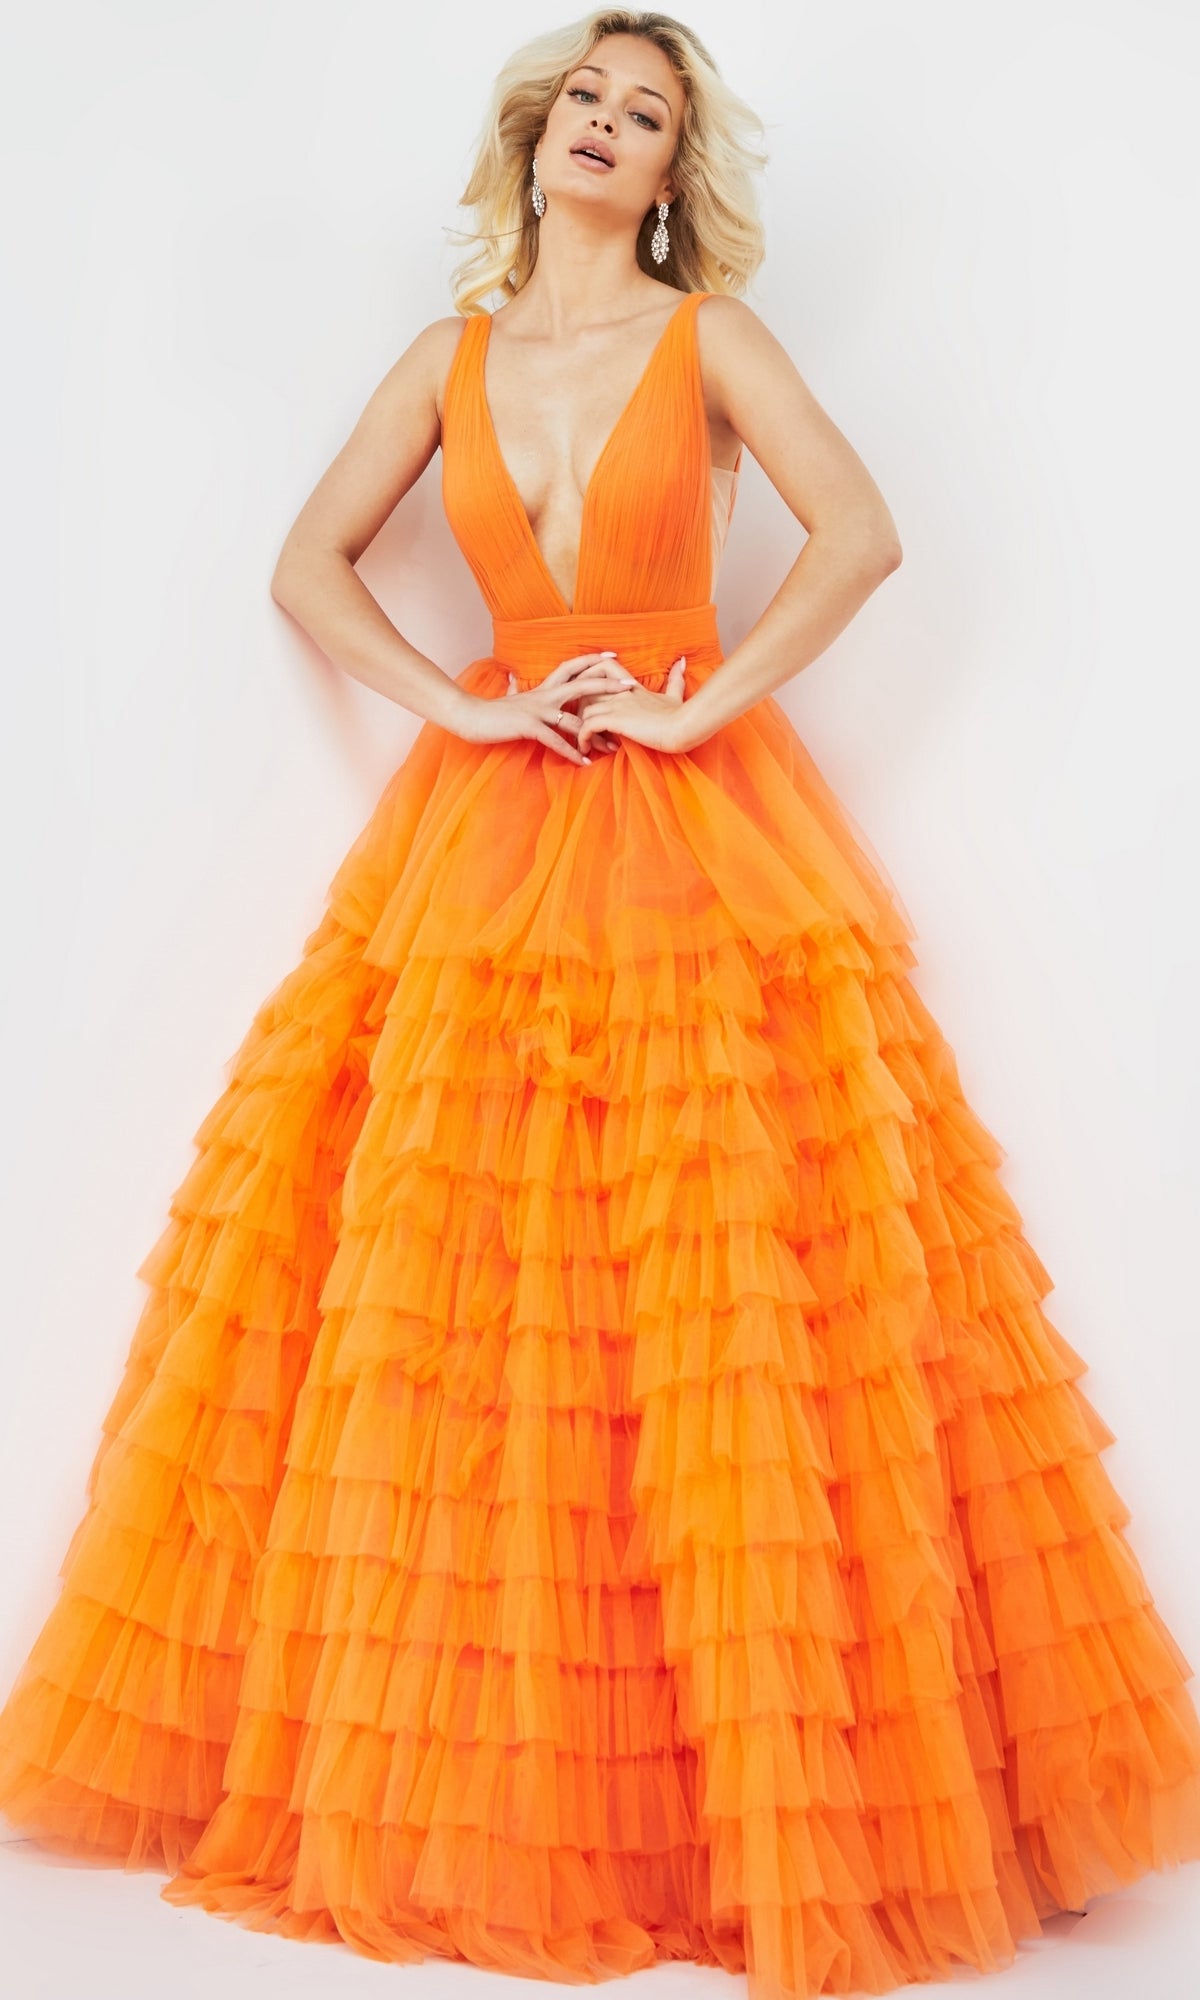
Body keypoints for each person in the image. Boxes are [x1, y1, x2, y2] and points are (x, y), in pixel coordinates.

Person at [1, 10, 1198, 1999]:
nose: (611, 129)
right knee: (464, 1279)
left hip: (699, 823)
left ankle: (751, 1780)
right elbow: (306, 565)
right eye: (589, 98)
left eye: (649, 117)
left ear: (669, 175)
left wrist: (706, 699)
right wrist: (470, 699)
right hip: (487, 822)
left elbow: (865, 534)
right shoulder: (449, 360)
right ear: (537, 132)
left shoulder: (713, 340)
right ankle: (486, 1762)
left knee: (730, 1283)